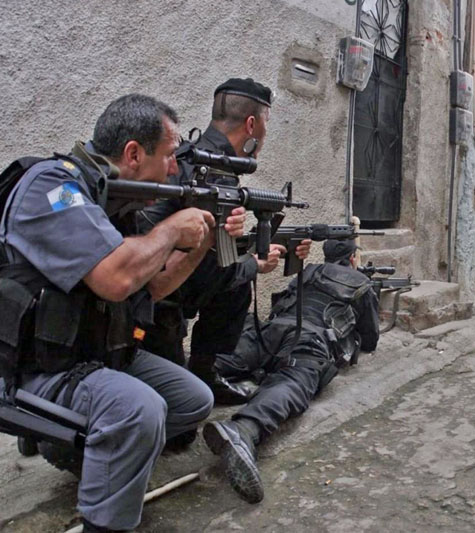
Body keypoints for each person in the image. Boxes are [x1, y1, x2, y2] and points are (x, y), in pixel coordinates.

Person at [0, 94, 241, 531]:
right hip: (39, 368)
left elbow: (156, 284)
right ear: (133, 153)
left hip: (94, 356)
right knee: (139, 409)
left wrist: (204, 239)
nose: (174, 168)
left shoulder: (117, 202)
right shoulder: (53, 187)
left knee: (193, 401)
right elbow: (115, 278)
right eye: (169, 156)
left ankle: (98, 459)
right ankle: (104, 523)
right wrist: (172, 229)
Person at [137, 77, 311, 404]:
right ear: (251, 123)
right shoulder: (211, 171)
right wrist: (254, 264)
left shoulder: (196, 157)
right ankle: (200, 374)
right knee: (181, 430)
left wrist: (277, 245)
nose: (265, 134)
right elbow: (212, 264)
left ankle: (205, 370)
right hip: (154, 300)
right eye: (265, 124)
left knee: (236, 279)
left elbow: (215, 248)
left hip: (159, 281)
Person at [202, 239, 380, 503]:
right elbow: (370, 339)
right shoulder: (359, 283)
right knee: (292, 382)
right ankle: (244, 430)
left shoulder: (306, 272)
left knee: (222, 361)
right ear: (353, 257)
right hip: (308, 340)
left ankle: (173, 385)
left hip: (270, 330)